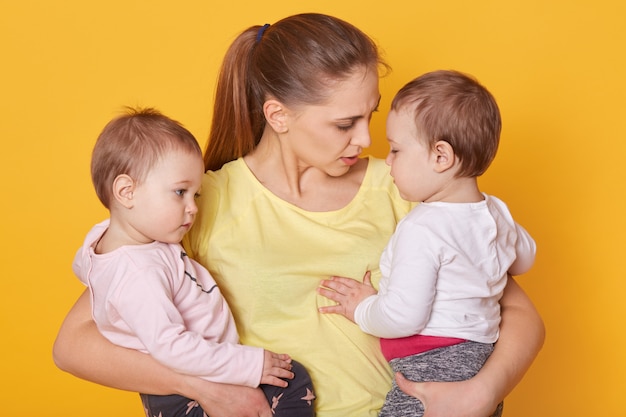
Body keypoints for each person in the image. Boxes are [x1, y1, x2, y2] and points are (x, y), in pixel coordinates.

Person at [53, 13, 545, 417]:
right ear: (278, 116)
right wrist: (202, 386)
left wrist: (482, 393)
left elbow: (517, 312)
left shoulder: (405, 187)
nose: (365, 140)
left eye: (370, 116)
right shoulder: (198, 202)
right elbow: (75, 343)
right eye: (344, 123)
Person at [318, 70, 537, 416]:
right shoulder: (496, 213)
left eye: (396, 150)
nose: (387, 160)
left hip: (431, 364)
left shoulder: (422, 227)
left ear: (440, 157)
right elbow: (525, 260)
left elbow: (404, 317)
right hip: (480, 357)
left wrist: (362, 308)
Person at [72, 107, 314, 417]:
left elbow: (84, 267)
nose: (192, 208)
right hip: (185, 389)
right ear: (126, 192)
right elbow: (171, 346)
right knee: (292, 378)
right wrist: (250, 365)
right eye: (180, 192)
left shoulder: (109, 241)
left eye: (196, 195)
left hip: (190, 378)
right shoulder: (139, 273)